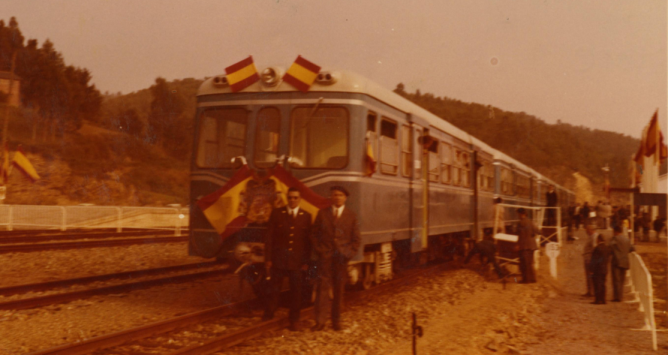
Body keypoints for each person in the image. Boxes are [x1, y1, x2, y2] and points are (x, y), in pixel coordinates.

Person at [311, 186, 361, 331]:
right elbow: (313, 234)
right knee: (322, 289)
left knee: (339, 290)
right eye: (335, 195)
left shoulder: (351, 216)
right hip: (325, 257)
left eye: (340, 195)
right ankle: (320, 322)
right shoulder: (322, 214)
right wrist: (320, 250)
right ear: (331, 197)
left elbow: (356, 239)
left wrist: (348, 253)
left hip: (341, 258)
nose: (337, 197)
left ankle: (336, 322)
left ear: (345, 198)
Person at [262, 187, 312, 331]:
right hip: (278, 260)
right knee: (273, 290)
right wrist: (268, 259)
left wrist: (306, 262)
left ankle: (294, 320)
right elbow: (269, 238)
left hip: (297, 262)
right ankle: (268, 315)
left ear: (300, 199)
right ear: (287, 198)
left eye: (295, 197)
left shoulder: (306, 216)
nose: (292, 200)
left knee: (296, 292)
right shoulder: (277, 213)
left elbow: (307, 243)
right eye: (290, 197)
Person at [609, 225, 634, 302]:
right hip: (625, 262)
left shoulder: (614, 239)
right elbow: (633, 248)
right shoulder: (627, 240)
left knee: (616, 280)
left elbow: (610, 247)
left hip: (616, 261)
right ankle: (621, 296)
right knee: (622, 280)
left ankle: (617, 297)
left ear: (615, 232)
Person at [516, 208, 539, 283]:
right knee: (530, 263)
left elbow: (520, 235)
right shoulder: (530, 221)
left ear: (521, 214)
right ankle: (533, 279)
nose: (518, 216)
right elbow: (538, 231)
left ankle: (526, 280)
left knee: (524, 263)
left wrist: (518, 245)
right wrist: (532, 234)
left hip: (524, 246)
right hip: (532, 246)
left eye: (518, 214)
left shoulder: (520, 223)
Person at [589, 235, 609, 305]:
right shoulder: (606, 248)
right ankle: (603, 299)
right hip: (604, 269)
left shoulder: (597, 248)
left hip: (597, 269)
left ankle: (597, 299)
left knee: (597, 284)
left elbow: (594, 260)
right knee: (603, 284)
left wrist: (591, 269)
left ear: (599, 240)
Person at [581, 224, 598, 297]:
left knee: (590, 275)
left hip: (589, 258)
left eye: (587, 230)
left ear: (591, 230)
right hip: (587, 257)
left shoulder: (594, 237)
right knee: (588, 275)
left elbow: (594, 248)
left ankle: (591, 291)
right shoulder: (591, 237)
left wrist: (592, 258)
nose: (586, 231)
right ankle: (589, 291)